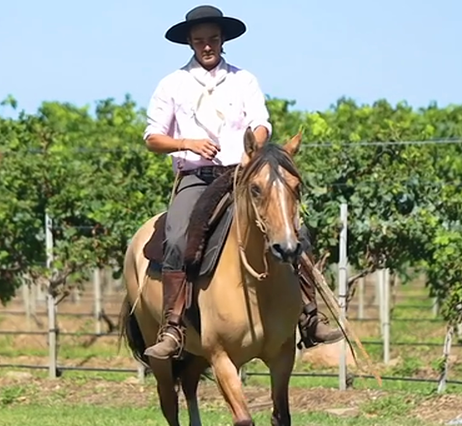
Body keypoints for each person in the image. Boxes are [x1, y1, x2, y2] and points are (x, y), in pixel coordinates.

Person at [142, 5, 344, 360]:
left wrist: (258, 145)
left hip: (242, 174)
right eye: (200, 40)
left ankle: (310, 316)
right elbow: (153, 139)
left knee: (294, 232)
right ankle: (173, 327)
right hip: (197, 177)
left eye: (214, 39)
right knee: (176, 238)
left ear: (223, 41)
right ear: (189, 42)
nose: (208, 46)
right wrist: (187, 143)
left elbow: (260, 121)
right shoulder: (171, 84)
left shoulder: (244, 80)